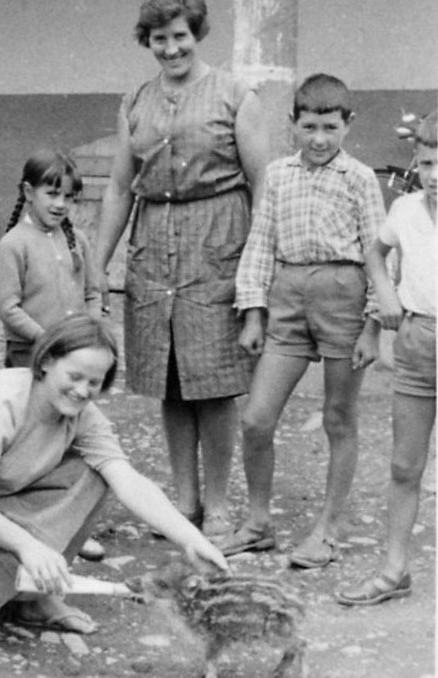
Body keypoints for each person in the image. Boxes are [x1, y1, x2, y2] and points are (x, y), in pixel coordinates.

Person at [0, 313, 228, 636]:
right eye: (74, 377)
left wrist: (193, 540)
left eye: (94, 382)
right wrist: (27, 546)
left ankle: (33, 597)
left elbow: (128, 480)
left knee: (95, 472)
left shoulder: (82, 413)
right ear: (46, 361)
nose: (82, 390)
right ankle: (4, 585)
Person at [94, 0, 267, 538]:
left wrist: (257, 269)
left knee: (213, 383)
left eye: (179, 36)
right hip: (153, 251)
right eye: (159, 39)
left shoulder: (236, 95)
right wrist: (97, 264)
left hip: (218, 246)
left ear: (198, 34)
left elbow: (262, 184)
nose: (171, 49)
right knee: (169, 381)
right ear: (146, 41)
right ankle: (184, 501)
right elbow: (120, 188)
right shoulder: (135, 102)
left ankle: (217, 505)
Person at [220, 74, 385, 568]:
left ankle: (328, 530)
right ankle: (258, 523)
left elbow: (378, 255)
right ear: (293, 122)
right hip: (287, 297)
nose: (318, 139)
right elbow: (260, 244)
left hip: (343, 296)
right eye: (309, 127)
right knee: (256, 418)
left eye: (330, 128)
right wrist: (253, 314)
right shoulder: (277, 175)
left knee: (338, 417)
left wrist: (372, 325)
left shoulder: (360, 178)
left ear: (348, 125)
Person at [336, 111, 437, 605]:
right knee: (403, 465)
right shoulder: (406, 210)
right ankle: (394, 569)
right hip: (418, 342)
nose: (435, 176)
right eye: (428, 163)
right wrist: (386, 294)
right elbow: (375, 254)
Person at [0, 150, 106, 561]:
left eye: (69, 197)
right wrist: (50, 342)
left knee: (71, 439)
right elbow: (8, 307)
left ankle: (70, 524)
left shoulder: (78, 241)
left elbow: (93, 293)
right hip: (32, 359)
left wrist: (89, 335)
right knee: (33, 442)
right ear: (28, 192)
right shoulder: (13, 245)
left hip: (73, 362)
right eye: (51, 193)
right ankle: (25, 523)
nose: (60, 204)